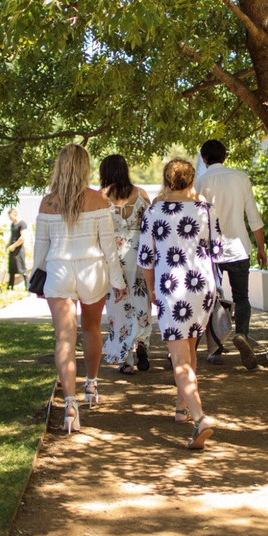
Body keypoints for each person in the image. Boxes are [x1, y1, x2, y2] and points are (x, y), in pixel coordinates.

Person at [32, 144, 127, 434]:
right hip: (92, 271)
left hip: (59, 272)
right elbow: (109, 248)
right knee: (92, 328)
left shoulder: (47, 203)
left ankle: (70, 404)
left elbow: (40, 249)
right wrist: (118, 281)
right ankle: (92, 384)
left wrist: (36, 278)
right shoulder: (98, 200)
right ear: (85, 167)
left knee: (64, 337)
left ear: (60, 167)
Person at [137, 158, 220, 450]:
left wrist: (151, 291)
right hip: (202, 288)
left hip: (171, 288)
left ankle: (200, 419)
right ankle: (180, 408)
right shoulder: (206, 210)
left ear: (166, 180)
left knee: (179, 359)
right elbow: (217, 250)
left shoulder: (154, 212)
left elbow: (146, 258)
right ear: (191, 180)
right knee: (189, 348)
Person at [196, 139, 266, 370]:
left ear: (204, 159)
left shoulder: (200, 182)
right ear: (225, 156)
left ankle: (215, 349)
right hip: (238, 248)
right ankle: (242, 334)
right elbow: (253, 215)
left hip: (210, 251)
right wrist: (261, 247)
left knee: (212, 300)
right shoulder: (240, 178)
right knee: (242, 297)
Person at [99, 154, 154, 374]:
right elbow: (151, 224)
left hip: (113, 256)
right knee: (141, 300)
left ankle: (127, 359)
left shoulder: (101, 197)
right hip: (139, 254)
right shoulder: (141, 194)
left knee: (118, 306)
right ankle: (142, 342)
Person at [6, 208, 28, 289]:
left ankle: (28, 287)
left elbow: (22, 238)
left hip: (19, 250)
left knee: (22, 269)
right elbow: (12, 236)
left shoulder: (22, 224)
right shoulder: (12, 225)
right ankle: (10, 287)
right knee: (11, 269)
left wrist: (14, 246)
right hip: (12, 249)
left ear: (15, 214)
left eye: (10, 217)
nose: (10, 218)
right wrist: (8, 245)